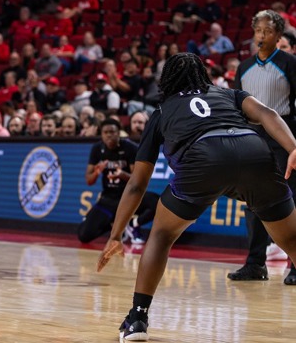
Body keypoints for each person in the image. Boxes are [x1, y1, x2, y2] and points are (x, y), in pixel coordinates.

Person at [97, 53, 296, 342]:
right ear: (202, 74)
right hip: (252, 150)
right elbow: (269, 114)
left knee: (162, 235)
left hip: (203, 159)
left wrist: (116, 235)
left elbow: (137, 185)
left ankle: (137, 318)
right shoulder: (228, 93)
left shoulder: (163, 111)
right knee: (291, 240)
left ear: (166, 80)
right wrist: (293, 148)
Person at [228, 10, 296, 284]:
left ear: (278, 35)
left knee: (291, 200)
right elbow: (236, 106)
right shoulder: (244, 67)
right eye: (258, 30)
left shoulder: (289, 63)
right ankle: (255, 263)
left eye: (267, 31)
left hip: (284, 136)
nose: (261, 36)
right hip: (251, 138)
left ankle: (295, 265)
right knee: (253, 202)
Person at [79, 119, 158, 244]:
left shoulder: (130, 148)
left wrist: (123, 175)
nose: (109, 135)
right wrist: (97, 172)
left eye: (112, 132)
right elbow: (89, 181)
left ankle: (132, 224)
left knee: (157, 202)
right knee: (83, 235)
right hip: (108, 199)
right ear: (102, 134)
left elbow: (138, 179)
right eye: (106, 132)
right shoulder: (97, 149)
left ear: (119, 133)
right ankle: (116, 225)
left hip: (129, 197)